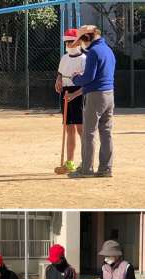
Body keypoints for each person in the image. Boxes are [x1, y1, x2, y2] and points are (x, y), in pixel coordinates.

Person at [68, 25, 116, 178]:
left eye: (82, 40)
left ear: (87, 38)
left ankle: (86, 169)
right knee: (106, 132)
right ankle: (105, 169)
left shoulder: (94, 52)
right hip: (109, 94)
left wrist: (76, 78)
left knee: (89, 132)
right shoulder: (108, 50)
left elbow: (89, 77)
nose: (82, 43)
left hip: (95, 95)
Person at [55, 28, 86, 173]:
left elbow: (87, 82)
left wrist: (75, 94)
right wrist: (58, 80)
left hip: (79, 93)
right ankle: (70, 162)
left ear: (79, 42)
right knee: (69, 128)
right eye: (66, 42)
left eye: (71, 42)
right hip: (66, 92)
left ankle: (86, 160)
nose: (68, 44)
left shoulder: (84, 59)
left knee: (81, 128)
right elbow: (60, 73)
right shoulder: (64, 58)